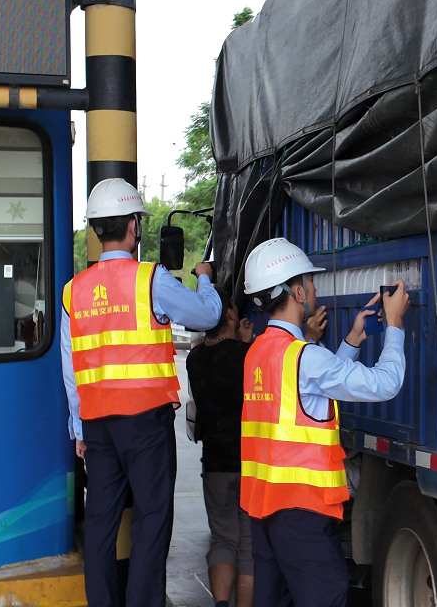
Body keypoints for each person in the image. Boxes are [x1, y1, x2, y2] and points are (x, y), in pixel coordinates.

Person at [60, 178, 222, 607]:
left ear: (96, 229)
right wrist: (204, 279)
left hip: (96, 425)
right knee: (151, 518)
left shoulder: (73, 293)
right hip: (144, 422)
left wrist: (78, 426)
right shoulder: (150, 280)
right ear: (134, 226)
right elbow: (208, 316)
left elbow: (70, 369)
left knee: (100, 522)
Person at [239, 237, 410, 607]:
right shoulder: (305, 357)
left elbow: (306, 395)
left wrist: (351, 340)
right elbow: (386, 384)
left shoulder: (259, 351)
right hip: (302, 512)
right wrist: (394, 326)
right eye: (311, 282)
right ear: (298, 292)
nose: (315, 289)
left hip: (264, 509)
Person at [186, 290, 256, 607]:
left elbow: (216, 360)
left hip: (214, 464)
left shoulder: (194, 359)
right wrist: (244, 343)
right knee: (249, 544)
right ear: (230, 316)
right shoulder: (246, 355)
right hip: (249, 464)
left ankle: (221, 604)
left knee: (222, 539)